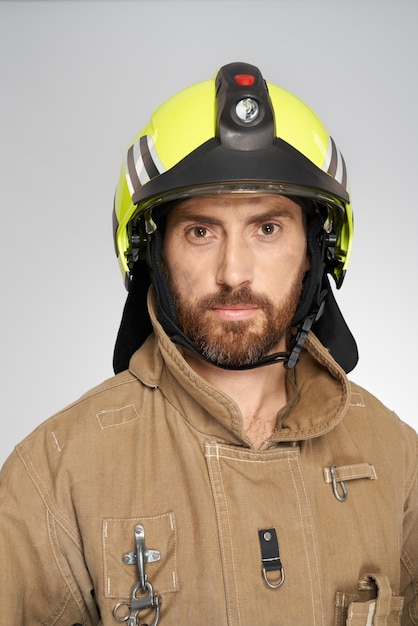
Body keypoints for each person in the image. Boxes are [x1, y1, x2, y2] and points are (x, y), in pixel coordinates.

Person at [0, 62, 417, 626]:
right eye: (201, 231)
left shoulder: (398, 457)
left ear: (316, 252)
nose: (233, 271)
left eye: (267, 228)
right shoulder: (54, 472)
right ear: (155, 254)